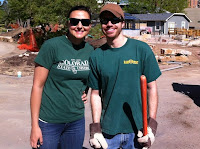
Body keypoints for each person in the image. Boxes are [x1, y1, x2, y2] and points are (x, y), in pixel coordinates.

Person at [87, 3, 162, 149]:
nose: (109, 24)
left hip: (138, 130)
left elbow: (151, 88)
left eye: (114, 20)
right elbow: (95, 94)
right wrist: (95, 128)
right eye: (105, 20)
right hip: (108, 132)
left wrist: (151, 126)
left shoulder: (141, 50)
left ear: (122, 23)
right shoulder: (96, 56)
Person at [30, 5, 93, 149]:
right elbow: (37, 87)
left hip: (76, 121)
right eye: (74, 21)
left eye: (85, 22)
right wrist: (35, 126)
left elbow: (87, 79)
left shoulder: (90, 50)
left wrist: (85, 92)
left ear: (90, 25)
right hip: (49, 122)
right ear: (68, 23)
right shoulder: (52, 46)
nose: (79, 26)